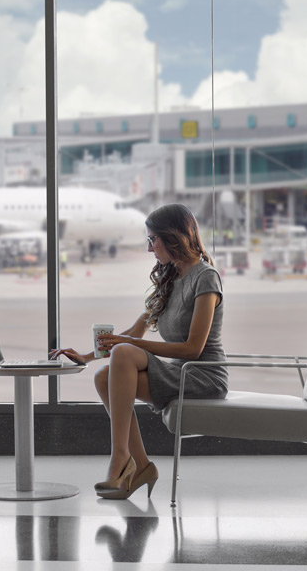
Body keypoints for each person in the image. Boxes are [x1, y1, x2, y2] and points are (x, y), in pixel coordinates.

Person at [50, 203, 228, 500]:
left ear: (173, 237)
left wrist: (127, 345)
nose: (149, 249)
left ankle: (120, 459)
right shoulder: (171, 277)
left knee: (122, 355)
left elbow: (193, 349)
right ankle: (141, 465)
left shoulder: (205, 277)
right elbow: (133, 334)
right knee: (103, 377)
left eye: (151, 240)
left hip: (203, 376)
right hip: (179, 372)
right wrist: (86, 355)